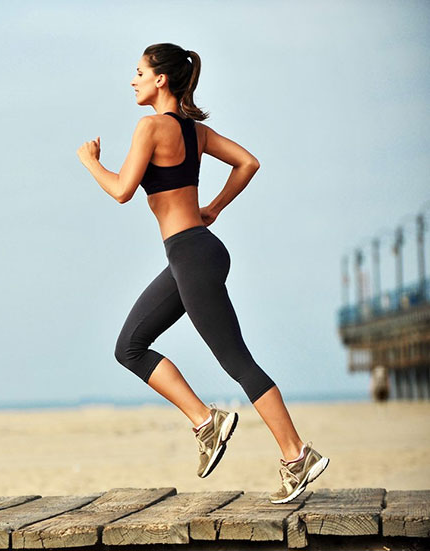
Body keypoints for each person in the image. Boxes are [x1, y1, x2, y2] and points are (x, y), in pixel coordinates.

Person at [76, 42, 329, 504]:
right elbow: (247, 162)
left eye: (138, 72)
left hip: (191, 256)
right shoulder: (196, 133)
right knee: (129, 347)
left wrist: (91, 162)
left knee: (238, 362)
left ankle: (296, 455)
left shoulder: (150, 127)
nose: (131, 80)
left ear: (160, 80)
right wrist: (212, 207)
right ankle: (205, 421)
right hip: (192, 253)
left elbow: (121, 191)